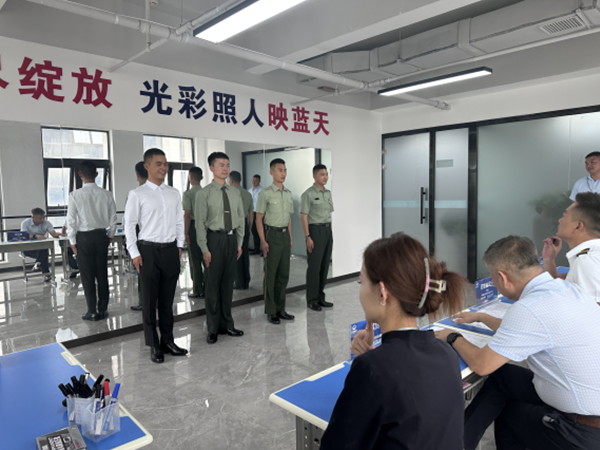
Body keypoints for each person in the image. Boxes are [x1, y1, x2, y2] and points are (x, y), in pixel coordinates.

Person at [433, 236, 600, 450]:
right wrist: (481, 317)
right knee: (504, 376)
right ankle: (459, 443)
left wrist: (452, 336)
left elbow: (482, 365)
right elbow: (530, 331)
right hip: (587, 402)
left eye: (493, 278)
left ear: (503, 277)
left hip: (582, 431)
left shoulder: (529, 308)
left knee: (510, 413)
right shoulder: (566, 289)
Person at [320, 232, 466, 450]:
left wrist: (370, 364)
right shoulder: (447, 354)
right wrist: (373, 357)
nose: (360, 291)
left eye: (361, 281)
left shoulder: (373, 369)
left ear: (382, 292)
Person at [124, 148, 188, 363]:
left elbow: (179, 222)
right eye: (159, 163)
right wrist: (134, 253)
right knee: (149, 301)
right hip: (148, 251)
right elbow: (129, 225)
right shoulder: (137, 194)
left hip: (170, 250)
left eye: (165, 164)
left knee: (167, 301)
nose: (163, 167)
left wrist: (179, 246)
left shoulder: (173, 193)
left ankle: (168, 341)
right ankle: (153, 344)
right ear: (147, 166)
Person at [195, 152, 245, 344]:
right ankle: (213, 328)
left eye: (227, 165)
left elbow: (240, 218)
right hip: (213, 240)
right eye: (221, 165)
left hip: (231, 240)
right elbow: (199, 224)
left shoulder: (234, 192)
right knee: (212, 286)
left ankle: (227, 324)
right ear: (211, 168)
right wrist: (204, 248)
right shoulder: (204, 194)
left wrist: (239, 242)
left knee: (227, 285)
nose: (225, 168)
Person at [66, 161, 117, 321]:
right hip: (101, 236)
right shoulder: (107, 194)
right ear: (96, 174)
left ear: (80, 175)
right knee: (102, 273)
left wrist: (72, 241)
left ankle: (91, 311)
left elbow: (71, 221)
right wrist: (110, 236)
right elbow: (113, 219)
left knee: (87, 275)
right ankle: (103, 309)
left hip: (84, 238)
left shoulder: (75, 195)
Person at [256, 158, 295, 325]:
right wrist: (263, 241)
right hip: (271, 235)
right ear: (271, 172)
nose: (283, 173)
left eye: (285, 170)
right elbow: (258, 218)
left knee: (283, 274)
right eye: (280, 170)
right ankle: (271, 310)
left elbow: (289, 219)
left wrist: (290, 237)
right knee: (271, 275)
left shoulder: (288, 193)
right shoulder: (265, 193)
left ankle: (281, 308)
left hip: (285, 236)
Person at [543, 192, 600, 304]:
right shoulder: (590, 256)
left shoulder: (587, 261)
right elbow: (561, 283)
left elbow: (595, 310)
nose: (560, 220)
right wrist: (549, 259)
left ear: (578, 226)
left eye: (564, 216)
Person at [300, 164, 334, 311]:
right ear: (314, 176)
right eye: (322, 174)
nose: (325, 177)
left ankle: (320, 297)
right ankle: (312, 299)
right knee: (314, 267)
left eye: (326, 174)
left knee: (325, 265)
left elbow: (329, 213)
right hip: (315, 231)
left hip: (327, 230)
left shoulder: (328, 193)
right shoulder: (307, 194)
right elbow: (303, 216)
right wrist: (307, 236)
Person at [21, 207, 63, 282]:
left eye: (43, 217)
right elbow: (24, 236)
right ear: (33, 218)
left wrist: (58, 235)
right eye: (40, 218)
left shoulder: (46, 223)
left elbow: (53, 233)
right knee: (44, 253)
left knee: (44, 248)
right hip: (28, 248)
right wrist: (35, 236)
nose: (42, 220)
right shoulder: (25, 223)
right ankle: (45, 273)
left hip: (40, 247)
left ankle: (38, 264)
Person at [182, 166, 204, 299]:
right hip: (207, 228)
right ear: (201, 178)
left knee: (195, 259)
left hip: (194, 228)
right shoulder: (207, 192)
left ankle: (198, 289)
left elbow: (187, 215)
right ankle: (209, 287)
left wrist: (185, 233)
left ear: (190, 178)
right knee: (207, 258)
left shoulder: (188, 194)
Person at [229, 170, 254, 290]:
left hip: (234, 224)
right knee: (244, 253)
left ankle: (239, 282)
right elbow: (251, 213)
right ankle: (246, 280)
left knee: (236, 253)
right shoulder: (248, 194)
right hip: (244, 223)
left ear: (231, 180)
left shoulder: (230, 193)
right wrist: (249, 228)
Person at [129, 161, 148, 312]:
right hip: (164, 243)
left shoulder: (135, 194)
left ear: (137, 175)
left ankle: (144, 302)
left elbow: (129, 224)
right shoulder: (164, 193)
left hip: (143, 242)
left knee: (144, 274)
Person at [248, 174, 264, 255]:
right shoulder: (249, 191)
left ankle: (264, 250)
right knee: (254, 231)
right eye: (253, 180)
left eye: (256, 180)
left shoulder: (262, 191)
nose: (254, 182)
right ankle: (256, 249)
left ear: (259, 181)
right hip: (252, 213)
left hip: (260, 213)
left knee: (262, 231)